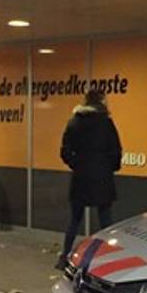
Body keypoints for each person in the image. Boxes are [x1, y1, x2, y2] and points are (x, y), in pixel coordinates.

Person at [57, 89, 122, 269]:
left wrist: (76, 164)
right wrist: (111, 167)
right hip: (102, 176)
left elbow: (64, 151)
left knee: (75, 219)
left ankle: (65, 256)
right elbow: (116, 150)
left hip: (81, 177)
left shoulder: (74, 122)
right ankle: (106, 259)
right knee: (105, 221)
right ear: (101, 101)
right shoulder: (106, 123)